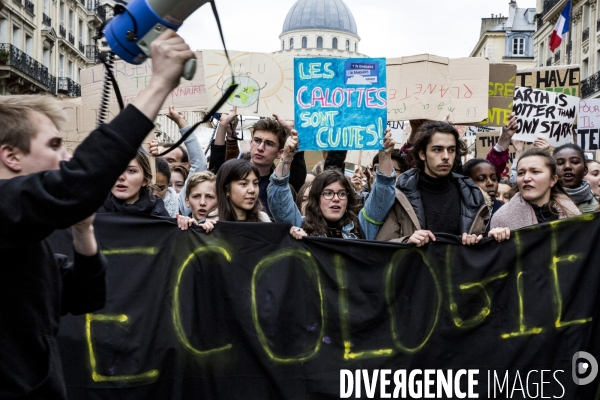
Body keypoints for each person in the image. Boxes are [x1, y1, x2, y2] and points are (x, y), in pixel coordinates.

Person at [0, 29, 194, 399]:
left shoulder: (26, 233)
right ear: (11, 155)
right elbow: (78, 181)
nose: (65, 157)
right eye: (54, 145)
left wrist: (84, 234)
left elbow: (86, 296)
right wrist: (158, 85)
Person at [268, 129, 396, 240]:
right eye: (328, 193)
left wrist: (385, 155)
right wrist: (286, 157)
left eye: (341, 194)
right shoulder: (299, 226)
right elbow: (278, 196)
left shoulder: (362, 227)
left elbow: (383, 193)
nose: (336, 199)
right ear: (316, 198)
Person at [375, 121, 489, 246]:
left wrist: (480, 239)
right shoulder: (401, 194)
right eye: (437, 150)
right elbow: (382, 247)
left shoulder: (472, 195)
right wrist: (407, 241)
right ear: (422, 154)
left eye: (451, 150)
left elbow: (486, 246)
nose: (446, 156)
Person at [209, 108, 306, 216]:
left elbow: (298, 174)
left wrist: (291, 132)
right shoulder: (232, 175)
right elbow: (215, 170)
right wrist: (223, 125)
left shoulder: (281, 185)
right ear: (251, 143)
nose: (260, 148)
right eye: (257, 140)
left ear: (280, 153)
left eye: (269, 144)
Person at [490, 148, 581, 234]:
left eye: (535, 172)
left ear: (553, 179)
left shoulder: (575, 215)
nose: (526, 178)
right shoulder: (501, 218)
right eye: (521, 173)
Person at [97, 152, 170, 217]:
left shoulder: (160, 217)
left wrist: (180, 226)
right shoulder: (91, 213)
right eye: (115, 169)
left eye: (131, 171)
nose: (121, 177)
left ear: (146, 179)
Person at [552, 144, 598, 213]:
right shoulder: (544, 205)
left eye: (575, 162)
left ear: (585, 170)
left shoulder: (597, 206)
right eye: (560, 163)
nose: (567, 166)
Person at [462, 158, 503, 227]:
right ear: (467, 183)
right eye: (481, 179)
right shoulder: (459, 211)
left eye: (493, 178)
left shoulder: (504, 210)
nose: (490, 183)